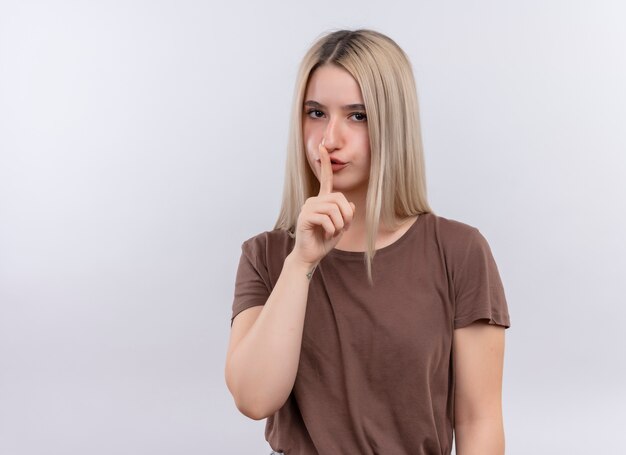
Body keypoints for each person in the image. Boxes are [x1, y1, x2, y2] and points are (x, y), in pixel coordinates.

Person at [225, 29, 511, 455]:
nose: (329, 139)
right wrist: (301, 263)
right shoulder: (267, 257)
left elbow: (479, 422)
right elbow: (254, 398)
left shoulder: (459, 252)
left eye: (357, 116)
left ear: (392, 123)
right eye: (316, 112)